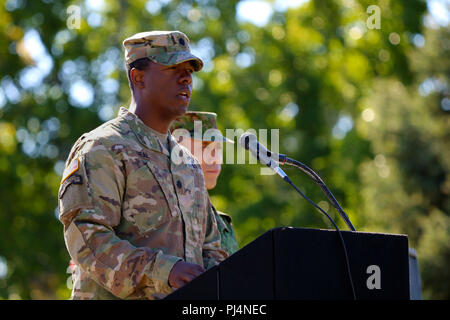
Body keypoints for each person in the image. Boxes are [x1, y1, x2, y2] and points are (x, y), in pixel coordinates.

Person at [58, 30, 227, 300]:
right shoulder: (103, 148)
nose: (186, 78)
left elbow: (213, 249)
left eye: (189, 70)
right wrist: (164, 272)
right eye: (173, 68)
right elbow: (88, 239)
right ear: (138, 77)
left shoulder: (189, 166)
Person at [170, 112, 239, 255]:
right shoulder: (164, 217)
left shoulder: (222, 222)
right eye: (205, 147)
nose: (215, 159)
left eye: (218, 149)